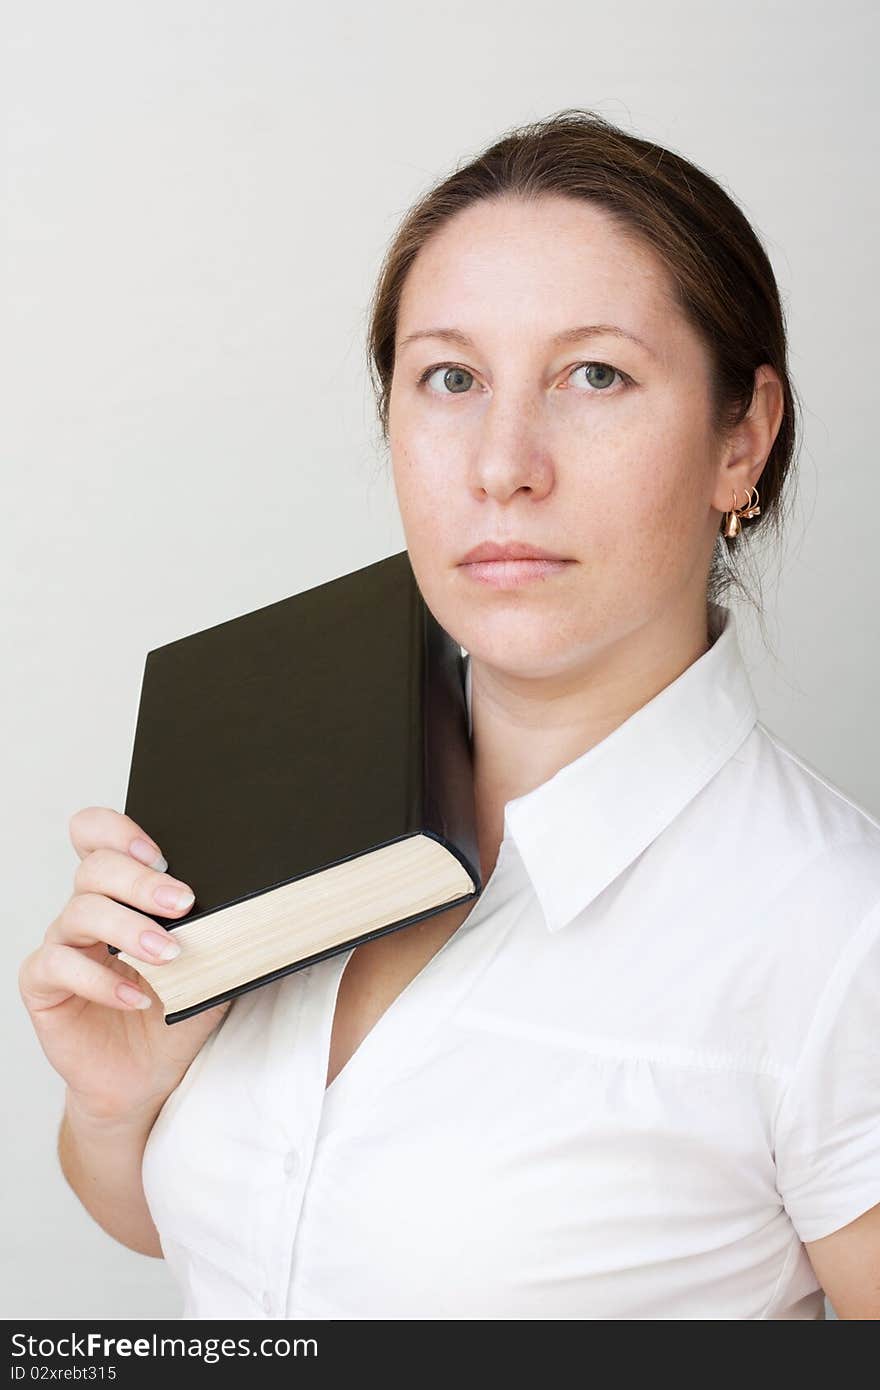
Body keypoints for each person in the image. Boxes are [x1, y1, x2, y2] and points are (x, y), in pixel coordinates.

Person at [19, 108, 880, 1320]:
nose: (501, 462)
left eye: (594, 375)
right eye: (451, 378)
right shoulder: (280, 777)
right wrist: (116, 1103)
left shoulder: (837, 939)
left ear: (740, 439)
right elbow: (241, 1238)